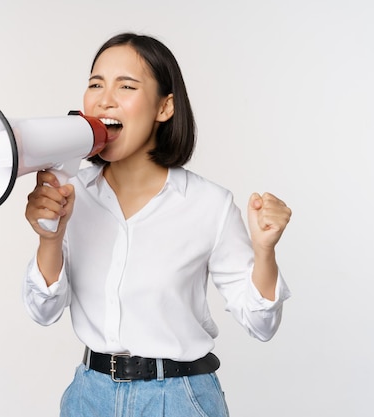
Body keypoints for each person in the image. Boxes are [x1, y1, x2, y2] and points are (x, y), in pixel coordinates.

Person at [23, 32, 292, 417]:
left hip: (179, 399)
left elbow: (261, 324)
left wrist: (265, 251)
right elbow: (43, 312)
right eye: (95, 84)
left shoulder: (209, 204)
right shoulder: (71, 195)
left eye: (126, 86)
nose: (104, 99)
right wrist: (50, 237)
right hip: (88, 397)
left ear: (165, 107)